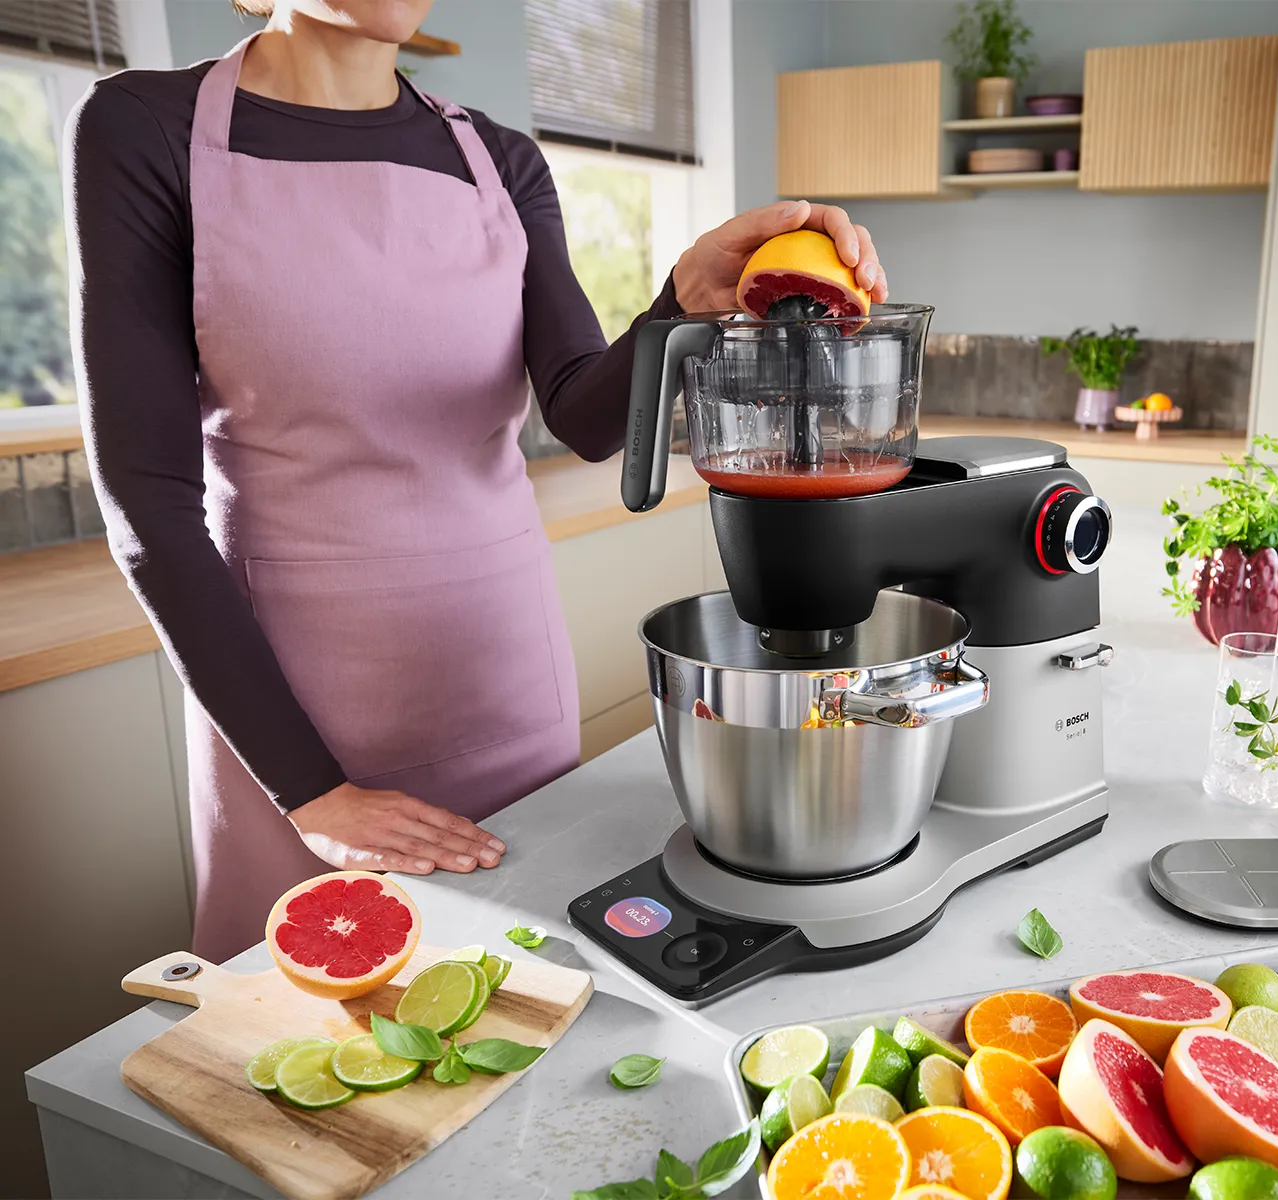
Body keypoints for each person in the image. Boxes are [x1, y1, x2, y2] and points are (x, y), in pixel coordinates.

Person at [66, 0, 888, 960]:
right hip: (289, 708)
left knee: (537, 988)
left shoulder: (499, 158)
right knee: (316, 1037)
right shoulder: (144, 126)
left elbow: (583, 416)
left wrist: (679, 300)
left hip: (502, 672)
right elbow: (147, 503)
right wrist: (311, 790)